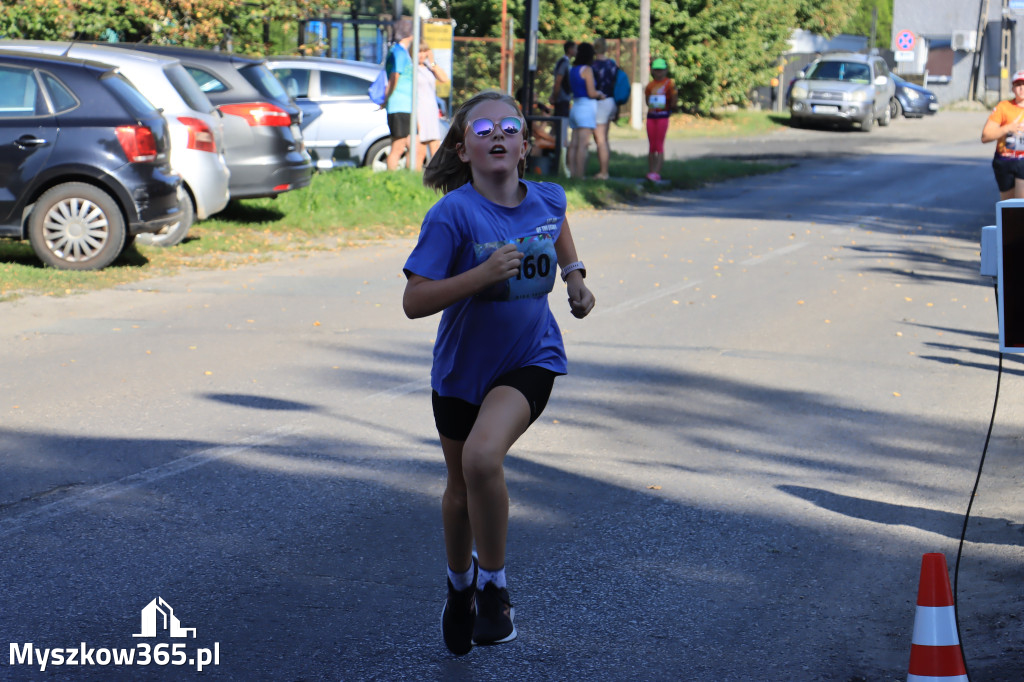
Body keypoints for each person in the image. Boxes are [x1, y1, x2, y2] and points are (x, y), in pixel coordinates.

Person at [403, 90, 596, 656]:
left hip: (530, 358)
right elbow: (415, 301)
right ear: (463, 149)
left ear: (523, 145)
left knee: (482, 457)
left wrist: (576, 277)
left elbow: (556, 226)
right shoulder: (452, 215)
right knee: (461, 489)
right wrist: (482, 275)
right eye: (481, 128)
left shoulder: (548, 197)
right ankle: (458, 588)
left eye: (508, 126)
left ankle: (494, 587)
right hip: (462, 370)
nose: (496, 134)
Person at [566, 42, 608, 179]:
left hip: (575, 107)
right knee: (582, 145)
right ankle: (580, 176)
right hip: (586, 108)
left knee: (573, 144)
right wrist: (600, 95)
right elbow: (591, 92)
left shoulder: (573, 69)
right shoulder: (587, 70)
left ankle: (572, 174)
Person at [982, 69, 1024, 200]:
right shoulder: (1003, 107)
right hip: (1004, 160)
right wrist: (1007, 128)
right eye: (1018, 85)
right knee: (1008, 207)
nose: (1022, 88)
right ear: (1012, 88)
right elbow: (985, 136)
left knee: (1020, 204)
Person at [384, 17, 415, 171]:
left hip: (402, 105)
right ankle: (391, 177)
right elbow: (395, 76)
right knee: (398, 146)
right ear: (409, 34)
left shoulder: (394, 51)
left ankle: (413, 177)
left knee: (413, 144)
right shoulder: (399, 52)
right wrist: (387, 97)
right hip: (400, 105)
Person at [415, 41, 449, 170]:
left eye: (424, 51)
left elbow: (444, 78)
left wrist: (432, 61)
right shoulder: (412, 69)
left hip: (431, 109)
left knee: (435, 143)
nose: (422, 55)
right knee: (420, 147)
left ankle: (435, 175)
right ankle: (415, 176)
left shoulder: (429, 67)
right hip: (420, 109)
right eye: (419, 51)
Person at [644, 58, 677, 182]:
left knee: (659, 144)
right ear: (653, 71)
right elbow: (647, 100)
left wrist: (669, 107)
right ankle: (651, 170)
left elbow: (674, 99)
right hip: (651, 116)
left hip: (663, 116)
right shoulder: (650, 85)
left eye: (661, 70)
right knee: (652, 145)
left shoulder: (669, 84)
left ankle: (657, 172)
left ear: (665, 70)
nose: (659, 73)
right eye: (656, 70)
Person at [590, 37, 618, 180]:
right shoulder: (612, 64)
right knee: (604, 138)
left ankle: (603, 172)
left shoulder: (592, 66)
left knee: (600, 140)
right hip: (611, 101)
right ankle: (605, 170)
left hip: (600, 101)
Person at [550, 40, 576, 118]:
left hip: (563, 98)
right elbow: (558, 81)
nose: (577, 51)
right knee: (561, 124)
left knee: (558, 125)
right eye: (575, 48)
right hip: (561, 99)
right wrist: (554, 96)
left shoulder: (565, 62)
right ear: (570, 49)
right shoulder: (564, 63)